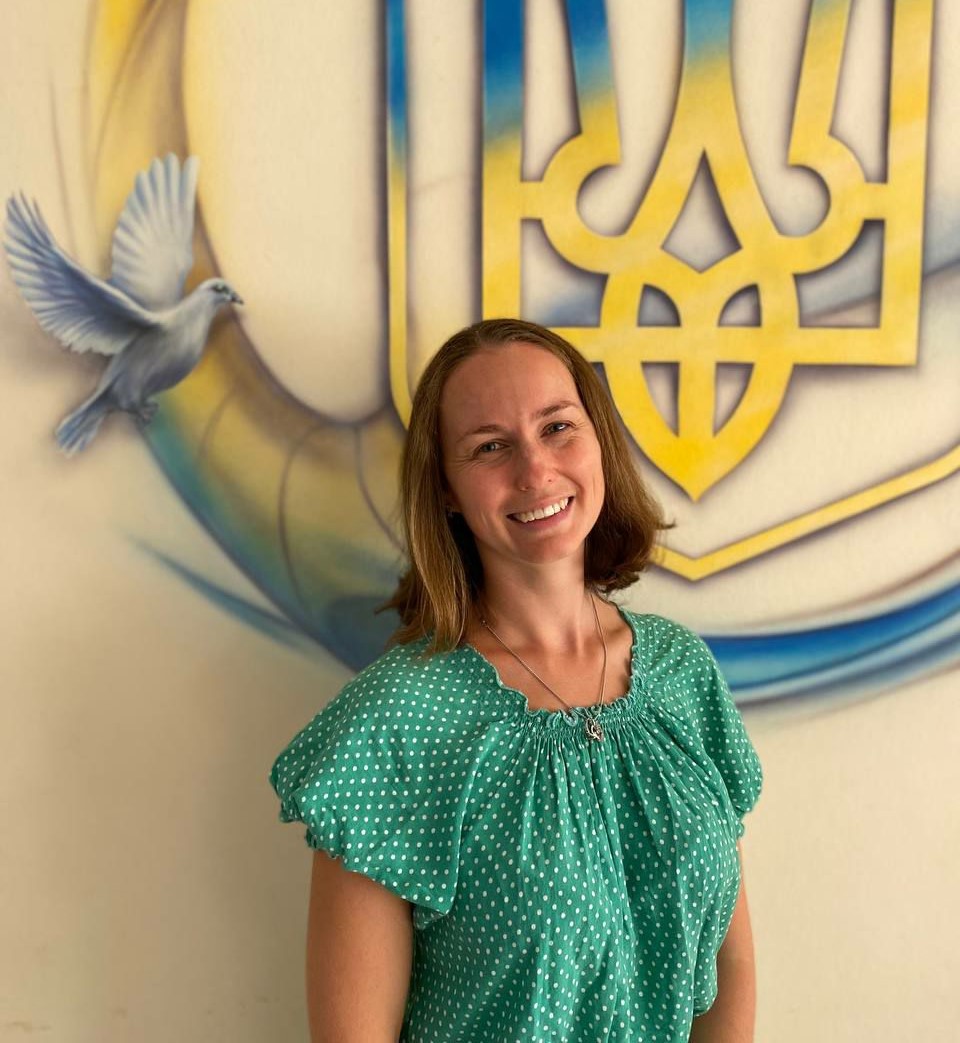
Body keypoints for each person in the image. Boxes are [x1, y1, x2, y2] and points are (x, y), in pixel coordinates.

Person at [269, 318, 764, 1042]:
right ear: (446, 488)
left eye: (557, 427)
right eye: (490, 446)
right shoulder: (394, 722)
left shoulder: (682, 672)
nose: (535, 471)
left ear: (599, 441)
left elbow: (730, 965)